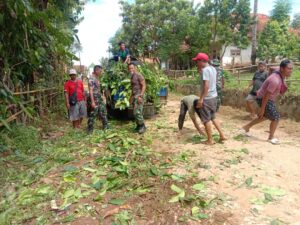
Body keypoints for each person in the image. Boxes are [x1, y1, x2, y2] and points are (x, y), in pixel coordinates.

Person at [242, 59, 293, 145]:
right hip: (264, 98)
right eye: (289, 69)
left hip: (265, 97)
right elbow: (266, 95)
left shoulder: (278, 71)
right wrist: (262, 109)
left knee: (266, 116)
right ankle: (271, 138)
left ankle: (246, 127)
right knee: (275, 117)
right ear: (282, 69)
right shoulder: (275, 80)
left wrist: (273, 78)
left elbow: (271, 68)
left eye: (292, 69)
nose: (291, 71)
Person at [192, 52, 226, 145]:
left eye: (197, 61)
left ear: (202, 61)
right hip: (214, 97)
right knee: (213, 117)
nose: (197, 63)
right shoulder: (213, 69)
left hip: (207, 98)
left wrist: (201, 99)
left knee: (206, 119)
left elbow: (206, 86)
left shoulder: (205, 70)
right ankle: (222, 135)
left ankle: (210, 140)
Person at [87, 65, 109, 134]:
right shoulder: (91, 79)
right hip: (94, 99)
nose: (101, 72)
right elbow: (90, 90)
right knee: (93, 113)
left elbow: (98, 89)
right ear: (96, 70)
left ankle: (106, 125)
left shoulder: (97, 78)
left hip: (99, 98)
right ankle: (90, 129)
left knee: (103, 111)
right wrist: (93, 102)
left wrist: (102, 96)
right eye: (100, 71)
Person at [128, 63, 146, 134]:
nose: (131, 70)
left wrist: (140, 96)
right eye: (129, 68)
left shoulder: (139, 75)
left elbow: (144, 85)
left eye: (132, 68)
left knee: (137, 112)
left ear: (135, 68)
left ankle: (142, 126)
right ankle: (138, 126)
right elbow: (133, 89)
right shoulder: (132, 76)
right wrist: (131, 98)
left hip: (139, 96)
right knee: (135, 113)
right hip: (134, 96)